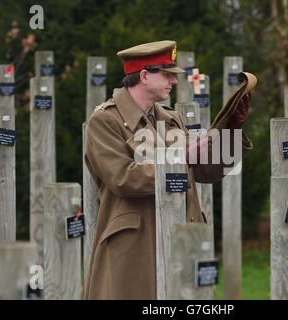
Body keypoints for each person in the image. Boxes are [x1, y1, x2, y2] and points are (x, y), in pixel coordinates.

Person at [83, 40, 254, 299]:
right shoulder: (105, 120)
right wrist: (180, 157)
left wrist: (232, 128)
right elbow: (122, 178)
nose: (173, 81)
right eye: (167, 75)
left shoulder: (170, 118)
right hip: (136, 246)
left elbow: (206, 171)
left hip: (181, 235)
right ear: (143, 76)